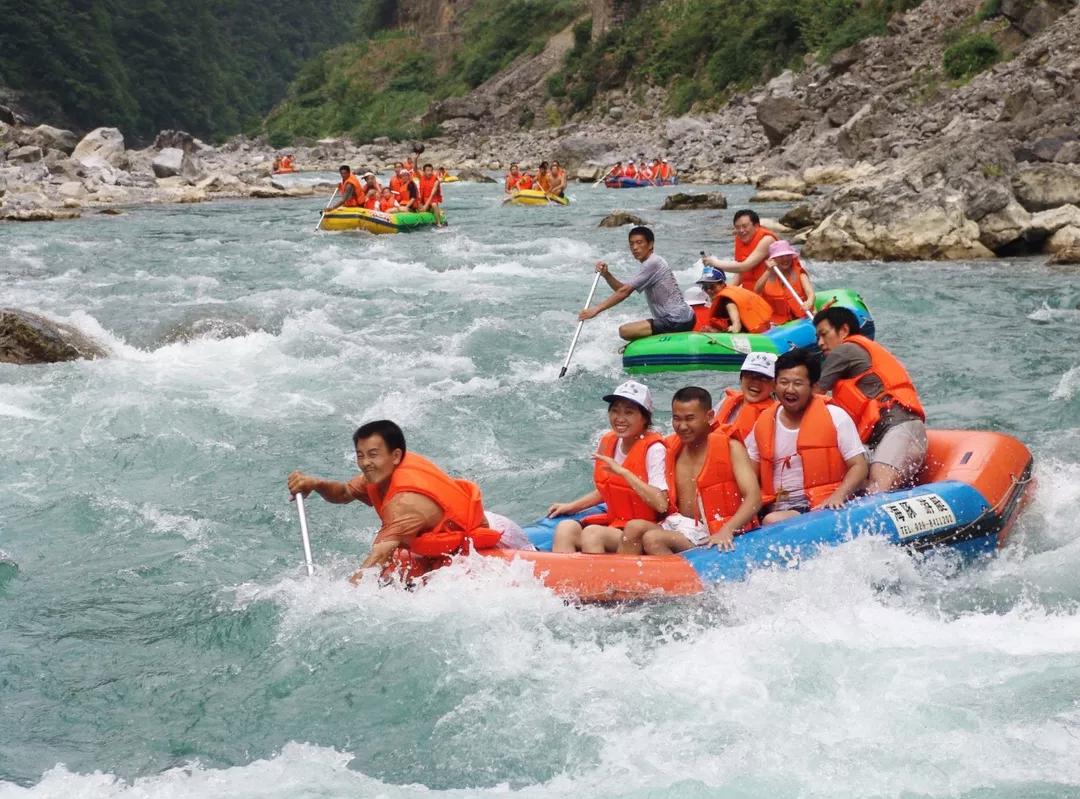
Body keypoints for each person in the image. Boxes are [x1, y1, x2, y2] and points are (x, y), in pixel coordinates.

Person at [286, 420, 505, 582]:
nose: (365, 463)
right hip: (449, 537)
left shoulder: (405, 503)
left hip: (488, 540)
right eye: (360, 455)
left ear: (396, 456)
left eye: (373, 454)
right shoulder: (380, 475)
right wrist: (315, 484)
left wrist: (337, 599)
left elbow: (380, 554)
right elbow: (343, 493)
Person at [625, 387, 761, 555]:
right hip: (679, 524)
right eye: (676, 418)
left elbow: (754, 498)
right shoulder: (670, 448)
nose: (682, 426)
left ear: (709, 416)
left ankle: (677, 581)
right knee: (633, 528)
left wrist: (727, 529)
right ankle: (620, 580)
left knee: (653, 539)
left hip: (713, 530)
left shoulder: (731, 448)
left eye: (690, 419)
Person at [746, 348, 868, 524]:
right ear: (774, 384)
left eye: (798, 383)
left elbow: (859, 466)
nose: (789, 389)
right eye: (784, 382)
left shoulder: (835, 416)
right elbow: (749, 475)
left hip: (817, 504)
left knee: (771, 520)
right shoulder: (763, 422)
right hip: (774, 504)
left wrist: (838, 496)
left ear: (813, 386)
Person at [814, 305, 928, 493]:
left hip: (899, 430)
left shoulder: (845, 350)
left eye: (824, 334)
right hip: (901, 433)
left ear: (843, 330)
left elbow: (814, 394)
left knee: (877, 488)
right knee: (857, 485)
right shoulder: (860, 350)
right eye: (817, 337)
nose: (819, 342)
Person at [547, 381, 668, 554]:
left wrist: (624, 472)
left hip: (644, 530)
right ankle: (563, 580)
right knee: (565, 528)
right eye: (615, 411)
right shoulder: (608, 441)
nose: (619, 418)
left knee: (593, 533)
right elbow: (611, 488)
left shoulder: (654, 450)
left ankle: (599, 580)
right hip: (616, 523)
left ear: (645, 418)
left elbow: (661, 504)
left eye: (629, 412)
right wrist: (572, 506)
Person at [578, 226, 695, 341]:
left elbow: (624, 292)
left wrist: (596, 309)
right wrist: (607, 275)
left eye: (639, 243)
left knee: (625, 331)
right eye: (631, 244)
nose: (634, 247)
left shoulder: (653, 263)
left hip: (677, 320)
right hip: (683, 317)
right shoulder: (648, 263)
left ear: (650, 244)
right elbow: (622, 289)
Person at [704, 209, 778, 290]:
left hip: (768, 291)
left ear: (756, 226)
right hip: (750, 291)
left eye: (744, 226)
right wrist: (726, 292)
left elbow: (744, 266)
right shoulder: (740, 240)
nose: (741, 230)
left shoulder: (767, 240)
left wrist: (714, 263)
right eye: (737, 227)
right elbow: (740, 273)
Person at [713, 352, 777, 443]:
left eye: (764, 378)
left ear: (774, 386)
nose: (756, 382)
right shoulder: (725, 401)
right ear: (741, 378)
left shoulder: (775, 417)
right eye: (750, 375)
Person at [695, 265, 773, 334]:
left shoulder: (727, 299)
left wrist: (735, 325)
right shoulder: (723, 295)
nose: (709, 290)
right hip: (755, 330)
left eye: (712, 287)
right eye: (705, 287)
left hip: (750, 334)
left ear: (722, 284)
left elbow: (735, 323)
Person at [755, 240, 815, 325]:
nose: (785, 259)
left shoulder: (800, 273)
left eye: (787, 255)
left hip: (802, 318)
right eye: (781, 256)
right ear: (773, 259)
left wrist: (809, 302)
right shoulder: (768, 275)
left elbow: (810, 293)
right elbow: (757, 291)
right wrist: (768, 271)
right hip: (778, 322)